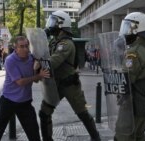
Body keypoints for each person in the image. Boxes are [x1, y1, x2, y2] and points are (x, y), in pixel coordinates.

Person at [39, 10, 101, 141]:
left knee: (82, 113)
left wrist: (38, 64)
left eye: (54, 22)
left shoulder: (66, 44)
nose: (51, 25)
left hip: (69, 85)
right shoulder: (54, 42)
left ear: (61, 24)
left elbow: (53, 62)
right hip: (56, 84)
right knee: (44, 112)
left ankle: (96, 138)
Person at [0, 36, 50, 141]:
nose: (25, 49)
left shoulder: (32, 58)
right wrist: (39, 75)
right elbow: (20, 82)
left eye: (26, 46)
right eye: (21, 46)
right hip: (8, 100)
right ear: (16, 48)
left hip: (25, 102)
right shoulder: (10, 60)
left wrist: (36, 70)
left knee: (33, 130)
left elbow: (36, 80)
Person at [114, 12, 145, 141]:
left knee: (123, 135)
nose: (125, 32)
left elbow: (126, 79)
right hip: (144, 102)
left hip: (132, 103)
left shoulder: (133, 52)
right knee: (139, 135)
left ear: (138, 30)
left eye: (128, 27)